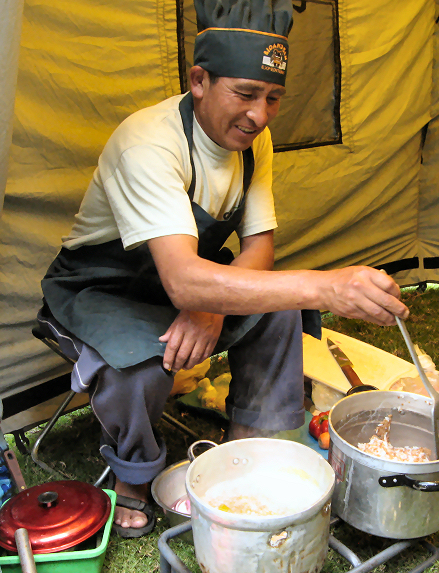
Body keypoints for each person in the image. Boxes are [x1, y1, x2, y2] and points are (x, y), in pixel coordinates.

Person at [38, 0, 409, 537]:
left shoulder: (257, 143)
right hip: (101, 287)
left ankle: (249, 450)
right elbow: (183, 280)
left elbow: (260, 245)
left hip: (186, 281)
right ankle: (134, 477)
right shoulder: (149, 143)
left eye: (273, 98)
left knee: (278, 309)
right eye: (245, 94)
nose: (259, 115)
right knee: (141, 364)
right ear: (199, 80)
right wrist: (324, 286)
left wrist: (211, 306)